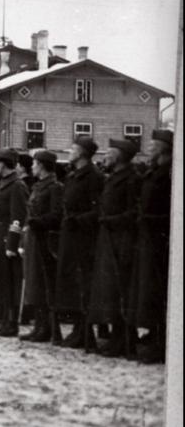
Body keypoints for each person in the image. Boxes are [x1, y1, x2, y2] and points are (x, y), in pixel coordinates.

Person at [88, 139, 141, 357]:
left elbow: (134, 212)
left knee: (120, 290)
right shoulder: (114, 178)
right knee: (110, 291)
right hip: (109, 241)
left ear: (119, 156)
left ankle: (124, 340)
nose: (105, 157)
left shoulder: (131, 180)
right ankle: (116, 336)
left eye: (109, 153)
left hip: (122, 242)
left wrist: (111, 220)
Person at [53, 136, 104, 350]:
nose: (69, 151)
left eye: (73, 148)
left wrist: (79, 220)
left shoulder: (94, 177)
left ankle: (85, 332)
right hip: (69, 235)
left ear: (83, 153)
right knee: (71, 285)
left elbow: (99, 209)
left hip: (83, 238)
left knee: (83, 283)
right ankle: (77, 330)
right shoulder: (73, 176)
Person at [128, 129, 173, 364]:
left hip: (160, 242)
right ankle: (150, 340)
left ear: (164, 150)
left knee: (156, 295)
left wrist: (149, 220)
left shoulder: (169, 175)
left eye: (154, 147)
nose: (149, 150)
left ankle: (159, 344)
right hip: (147, 240)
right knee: (146, 294)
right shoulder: (154, 173)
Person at [19, 151, 63, 342]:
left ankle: (48, 328)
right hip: (33, 239)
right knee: (34, 283)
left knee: (43, 284)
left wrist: (39, 222)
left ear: (43, 165)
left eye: (35, 164)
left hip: (45, 241)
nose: (32, 167)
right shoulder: (38, 186)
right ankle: (39, 325)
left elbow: (57, 214)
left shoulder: (54, 187)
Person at [0, 149, 29, 337]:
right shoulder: (4, 183)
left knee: (8, 282)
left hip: (4, 239)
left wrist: (12, 243)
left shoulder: (17, 185)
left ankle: (10, 323)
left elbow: (18, 217)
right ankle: (2, 320)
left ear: (3, 164)